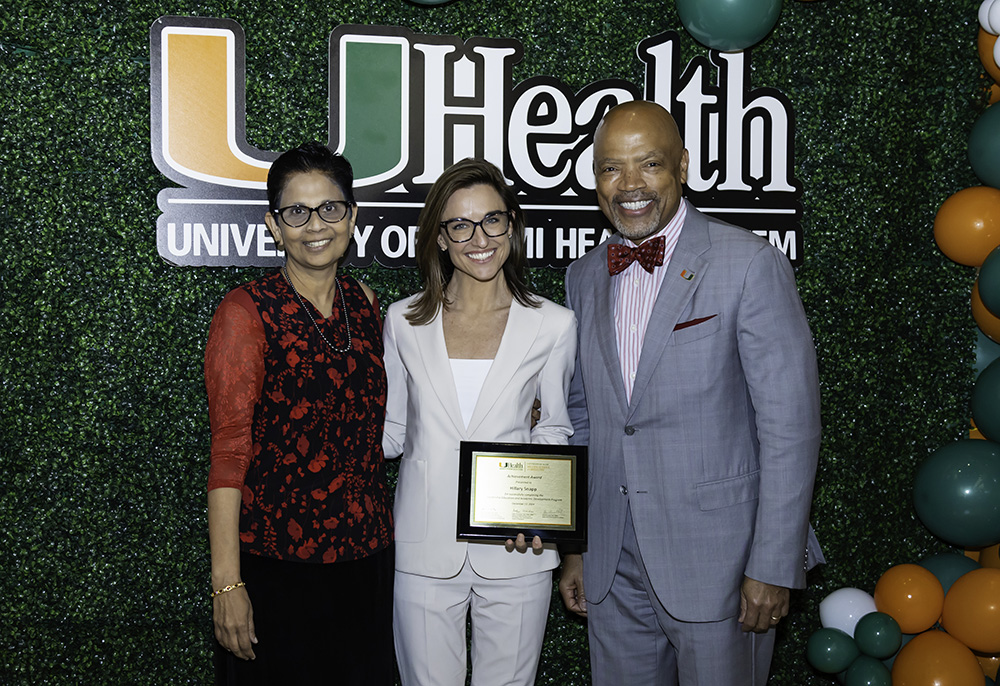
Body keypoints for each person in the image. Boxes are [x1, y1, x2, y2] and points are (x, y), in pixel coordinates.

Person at [558, 100, 823, 685]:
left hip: (722, 566)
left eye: (648, 164)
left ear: (682, 166)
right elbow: (582, 419)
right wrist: (574, 546)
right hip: (611, 566)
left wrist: (773, 565)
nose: (629, 185)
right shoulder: (582, 276)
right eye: (609, 168)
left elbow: (790, 428)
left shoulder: (750, 264)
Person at [204, 142, 394, 685]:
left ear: (352, 216)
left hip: (366, 564)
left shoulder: (368, 304)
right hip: (277, 570)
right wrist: (227, 583)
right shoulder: (246, 311)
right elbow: (229, 452)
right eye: (296, 212)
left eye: (331, 208)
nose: (316, 225)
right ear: (274, 224)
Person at [382, 157, 577, 686]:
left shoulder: (553, 324)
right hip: (423, 548)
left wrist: (541, 516)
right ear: (440, 238)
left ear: (511, 225)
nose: (479, 237)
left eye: (492, 220)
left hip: (517, 548)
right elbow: (392, 432)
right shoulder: (402, 321)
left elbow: (554, 427)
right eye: (460, 225)